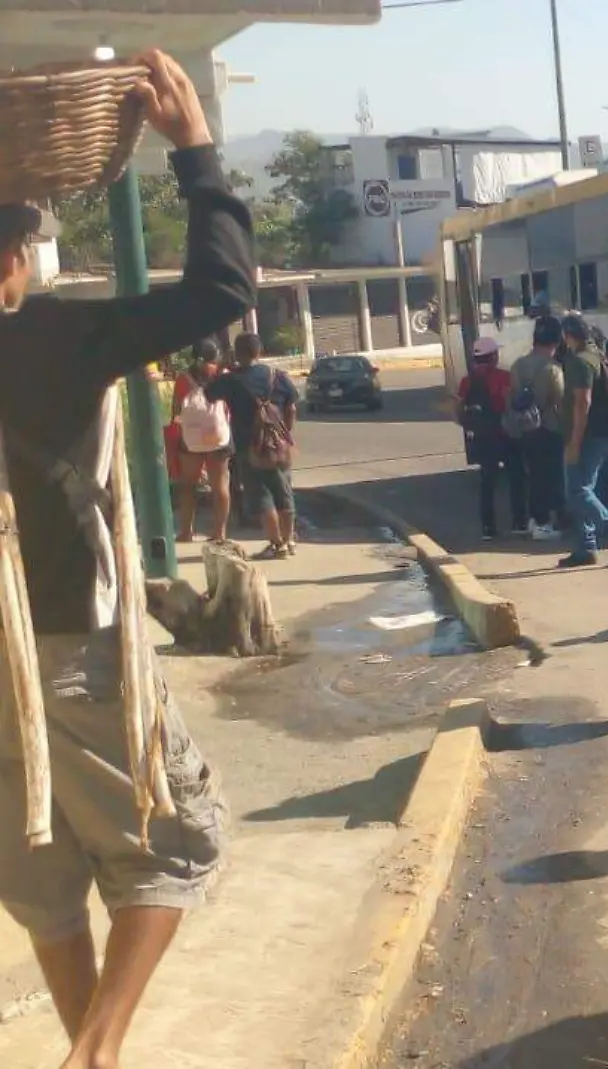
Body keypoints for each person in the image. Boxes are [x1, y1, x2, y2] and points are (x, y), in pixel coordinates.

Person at [0, 50, 245, 1069]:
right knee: (176, 839)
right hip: (68, 646)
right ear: (12, 259)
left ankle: (83, 1053)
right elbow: (219, 291)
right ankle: (92, 1054)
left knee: (44, 876)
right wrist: (195, 154)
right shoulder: (48, 338)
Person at [556, 314, 608, 569]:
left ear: (568, 335)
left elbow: (583, 403)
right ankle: (586, 546)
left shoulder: (579, 361)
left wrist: (574, 442)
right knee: (582, 490)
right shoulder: (595, 354)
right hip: (600, 433)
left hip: (587, 435)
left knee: (577, 491)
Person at [207, 331, 298, 559]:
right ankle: (289, 541)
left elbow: (209, 393)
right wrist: (284, 433)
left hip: (250, 448)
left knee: (262, 497)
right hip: (279, 447)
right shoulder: (277, 376)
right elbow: (292, 407)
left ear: (236, 353)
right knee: (284, 493)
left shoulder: (232, 379)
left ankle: (277, 544)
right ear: (260, 351)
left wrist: (222, 366)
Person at [456, 337, 526, 540]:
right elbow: (510, 403)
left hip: (483, 437)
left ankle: (488, 528)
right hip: (505, 434)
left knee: (487, 482)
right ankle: (519, 522)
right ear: (493, 356)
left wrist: (470, 426)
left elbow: (459, 410)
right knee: (516, 477)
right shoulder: (504, 377)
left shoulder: (466, 381)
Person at [507, 315, 567, 541]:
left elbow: (512, 397)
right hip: (549, 428)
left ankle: (535, 519)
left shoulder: (518, 365)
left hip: (526, 427)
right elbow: (559, 399)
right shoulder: (553, 369)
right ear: (556, 341)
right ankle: (544, 522)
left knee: (534, 475)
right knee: (551, 476)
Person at [172, 340, 233, 543]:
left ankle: (186, 531)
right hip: (218, 437)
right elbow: (229, 406)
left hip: (190, 440)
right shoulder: (222, 376)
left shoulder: (183, 380)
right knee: (220, 485)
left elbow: (176, 412)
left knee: (188, 485)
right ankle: (219, 533)